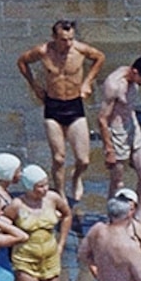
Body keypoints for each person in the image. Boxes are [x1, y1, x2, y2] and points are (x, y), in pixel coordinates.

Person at [19, 19, 106, 204]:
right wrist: (34, 85)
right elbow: (22, 61)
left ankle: (76, 177)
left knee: (83, 160)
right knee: (58, 158)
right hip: (53, 106)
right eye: (63, 40)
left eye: (70, 39)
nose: (67, 44)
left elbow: (100, 58)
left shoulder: (80, 50)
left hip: (74, 105)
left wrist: (87, 81)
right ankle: (59, 191)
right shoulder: (43, 51)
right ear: (54, 37)